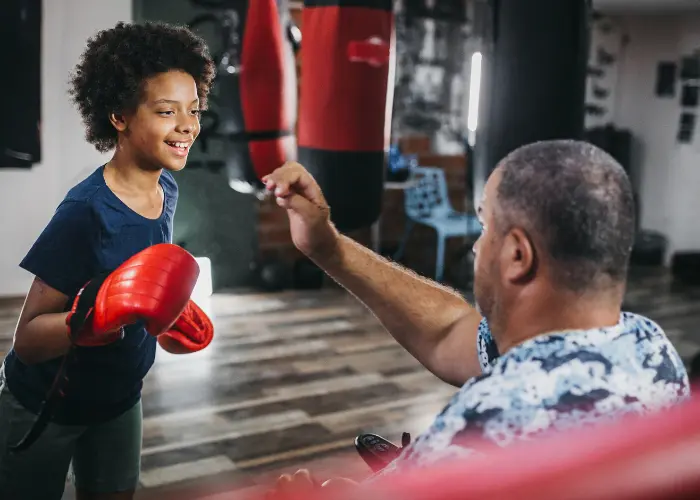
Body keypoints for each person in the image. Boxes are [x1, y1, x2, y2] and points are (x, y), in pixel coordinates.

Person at [261, 139, 690, 495]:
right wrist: (328, 247)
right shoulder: (651, 350)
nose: (475, 247)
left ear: (517, 255)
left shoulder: (489, 420)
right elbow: (451, 331)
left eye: (486, 228)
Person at [0, 21, 216, 500]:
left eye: (194, 110)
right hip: (44, 404)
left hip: (120, 398)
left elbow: (140, 280)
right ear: (119, 115)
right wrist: (92, 316)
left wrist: (169, 311)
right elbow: (30, 340)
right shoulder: (85, 213)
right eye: (166, 111)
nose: (188, 125)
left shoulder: (167, 188)